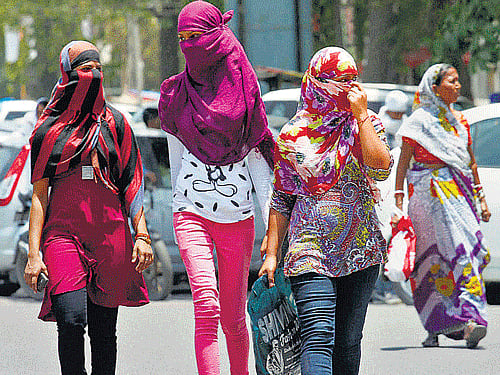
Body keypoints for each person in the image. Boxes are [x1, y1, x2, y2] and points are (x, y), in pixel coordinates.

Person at [259, 47, 392, 375]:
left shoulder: (367, 124)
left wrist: (361, 116)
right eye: (340, 81)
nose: (350, 88)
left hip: (360, 252)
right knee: (317, 337)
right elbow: (282, 196)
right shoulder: (293, 134)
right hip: (309, 250)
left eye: (354, 80)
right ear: (317, 83)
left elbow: (381, 168)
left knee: (348, 340)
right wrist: (272, 252)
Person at [158, 2, 275, 374]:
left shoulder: (246, 94)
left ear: (217, 38)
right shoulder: (174, 95)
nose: (190, 45)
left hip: (238, 220)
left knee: (233, 317)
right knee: (206, 305)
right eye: (183, 39)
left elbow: (261, 173)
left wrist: (275, 234)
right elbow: (177, 164)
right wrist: (184, 201)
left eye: (197, 37)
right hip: (190, 213)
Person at [24, 40, 153, 375]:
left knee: (103, 331)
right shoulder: (47, 131)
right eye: (85, 69)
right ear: (68, 75)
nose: (93, 76)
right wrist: (34, 253)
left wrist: (142, 235)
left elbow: (132, 183)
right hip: (63, 236)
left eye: (98, 69)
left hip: (111, 236)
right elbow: (40, 195)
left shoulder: (118, 125)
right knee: (71, 319)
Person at [394, 63, 491, 348]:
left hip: (457, 196)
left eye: (459, 81)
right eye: (452, 81)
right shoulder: (418, 122)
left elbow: (470, 161)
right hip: (426, 199)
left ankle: (471, 319)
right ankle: (437, 326)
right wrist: (398, 202)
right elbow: (403, 163)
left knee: (467, 253)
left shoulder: (459, 120)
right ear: (434, 88)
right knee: (432, 262)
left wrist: (481, 198)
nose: (458, 86)